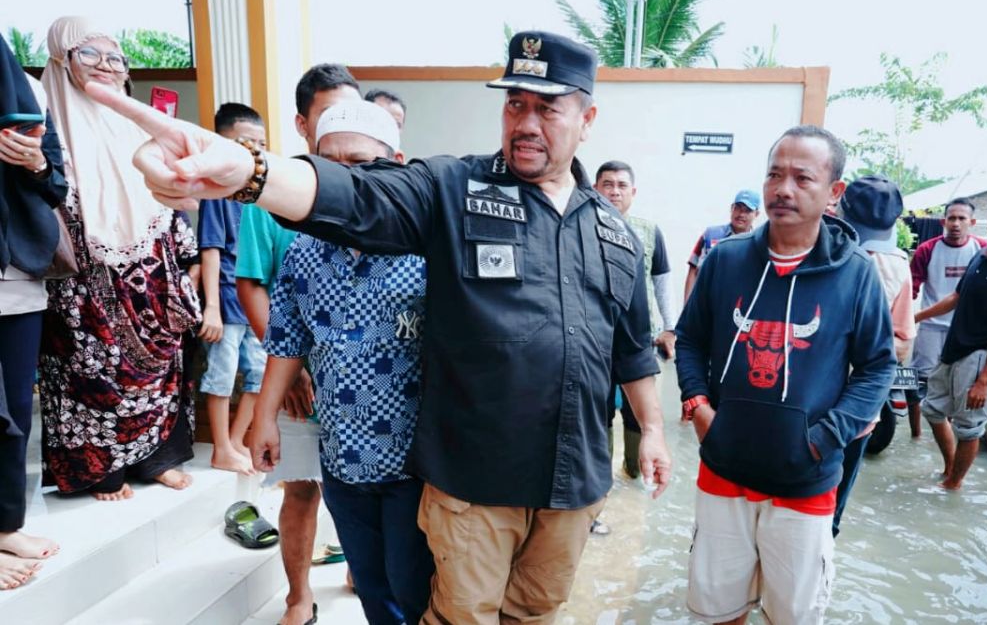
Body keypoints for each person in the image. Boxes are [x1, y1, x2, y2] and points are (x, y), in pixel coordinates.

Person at [89, 31, 672, 623]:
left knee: (537, 612)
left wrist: (650, 430)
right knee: (453, 613)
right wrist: (250, 171)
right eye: (515, 104)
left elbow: (631, 350)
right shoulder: (455, 191)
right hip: (473, 480)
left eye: (547, 108)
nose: (525, 123)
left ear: (586, 118)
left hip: (570, 483)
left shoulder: (614, 234)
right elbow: (360, 196)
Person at [675, 125, 895, 623]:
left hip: (805, 480)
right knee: (717, 611)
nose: (783, 189)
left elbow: (877, 366)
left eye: (802, 178)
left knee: (792, 616)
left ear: (834, 192)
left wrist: (825, 438)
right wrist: (699, 406)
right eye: (775, 175)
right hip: (722, 468)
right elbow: (688, 339)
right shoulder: (725, 259)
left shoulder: (856, 272)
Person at [253, 99, 432, 625]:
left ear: (396, 164)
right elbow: (286, 338)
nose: (345, 178)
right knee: (371, 583)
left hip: (417, 461)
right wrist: (264, 417)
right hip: (343, 454)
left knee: (413, 583)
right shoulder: (304, 250)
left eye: (359, 163)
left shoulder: (427, 245)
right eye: (330, 164)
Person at [38, 16, 201, 501]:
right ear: (61, 59)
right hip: (81, 277)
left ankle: (156, 458)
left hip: (150, 271)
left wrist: (183, 260)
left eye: (114, 57)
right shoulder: (45, 121)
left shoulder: (133, 122)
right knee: (88, 367)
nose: (106, 66)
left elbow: (167, 193)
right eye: (89, 54)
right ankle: (100, 472)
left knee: (161, 363)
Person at [235, 63, 360, 625]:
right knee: (303, 489)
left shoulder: (375, 189)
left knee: (363, 487)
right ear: (303, 125)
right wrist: (289, 373)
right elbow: (251, 284)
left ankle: (359, 567)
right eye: (329, 114)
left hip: (365, 380)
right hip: (298, 378)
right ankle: (298, 596)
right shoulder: (272, 194)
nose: (343, 123)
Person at [0, 36, 67, 590]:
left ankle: (5, 524)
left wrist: (37, 163)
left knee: (18, 408)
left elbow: (57, 185)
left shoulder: (27, 90)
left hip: (17, 271)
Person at [915, 200, 987, 490]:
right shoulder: (980, 255)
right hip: (953, 347)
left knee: (969, 428)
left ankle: (953, 485)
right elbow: (956, 298)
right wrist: (914, 317)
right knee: (932, 409)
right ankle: (949, 469)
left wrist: (985, 380)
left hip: (979, 357)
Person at [832, 174, 914, 537]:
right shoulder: (813, 250)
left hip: (852, 405)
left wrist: (860, 345)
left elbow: (902, 343)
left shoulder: (894, 266)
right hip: (825, 403)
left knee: (827, 513)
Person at [197, 103, 268, 476]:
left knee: (260, 373)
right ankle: (221, 447)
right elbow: (210, 250)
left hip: (255, 301)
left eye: (261, 144)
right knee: (221, 375)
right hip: (226, 299)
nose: (255, 150)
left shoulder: (260, 195)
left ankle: (238, 440)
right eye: (246, 143)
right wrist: (211, 307)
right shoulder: (217, 194)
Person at [594, 160, 676, 479]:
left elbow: (662, 281)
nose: (614, 192)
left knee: (637, 411)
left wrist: (670, 328)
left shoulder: (648, 232)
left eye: (621, 185)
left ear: (633, 192)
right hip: (596, 338)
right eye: (608, 184)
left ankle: (634, 472)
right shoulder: (583, 228)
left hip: (639, 339)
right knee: (598, 409)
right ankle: (601, 477)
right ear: (595, 189)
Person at [907, 198, 986, 437]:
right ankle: (916, 434)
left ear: (972, 222)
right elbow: (911, 289)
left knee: (957, 385)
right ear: (943, 221)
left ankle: (946, 437)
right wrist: (903, 320)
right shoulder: (927, 249)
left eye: (962, 218)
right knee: (918, 383)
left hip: (965, 331)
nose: (956, 223)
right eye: (951, 218)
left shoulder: (982, 250)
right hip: (931, 327)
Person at [682, 189, 761, 303]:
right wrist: (687, 307)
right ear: (732, 208)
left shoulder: (758, 244)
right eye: (738, 208)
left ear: (756, 214)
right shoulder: (710, 235)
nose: (741, 214)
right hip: (705, 304)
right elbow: (693, 269)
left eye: (747, 210)